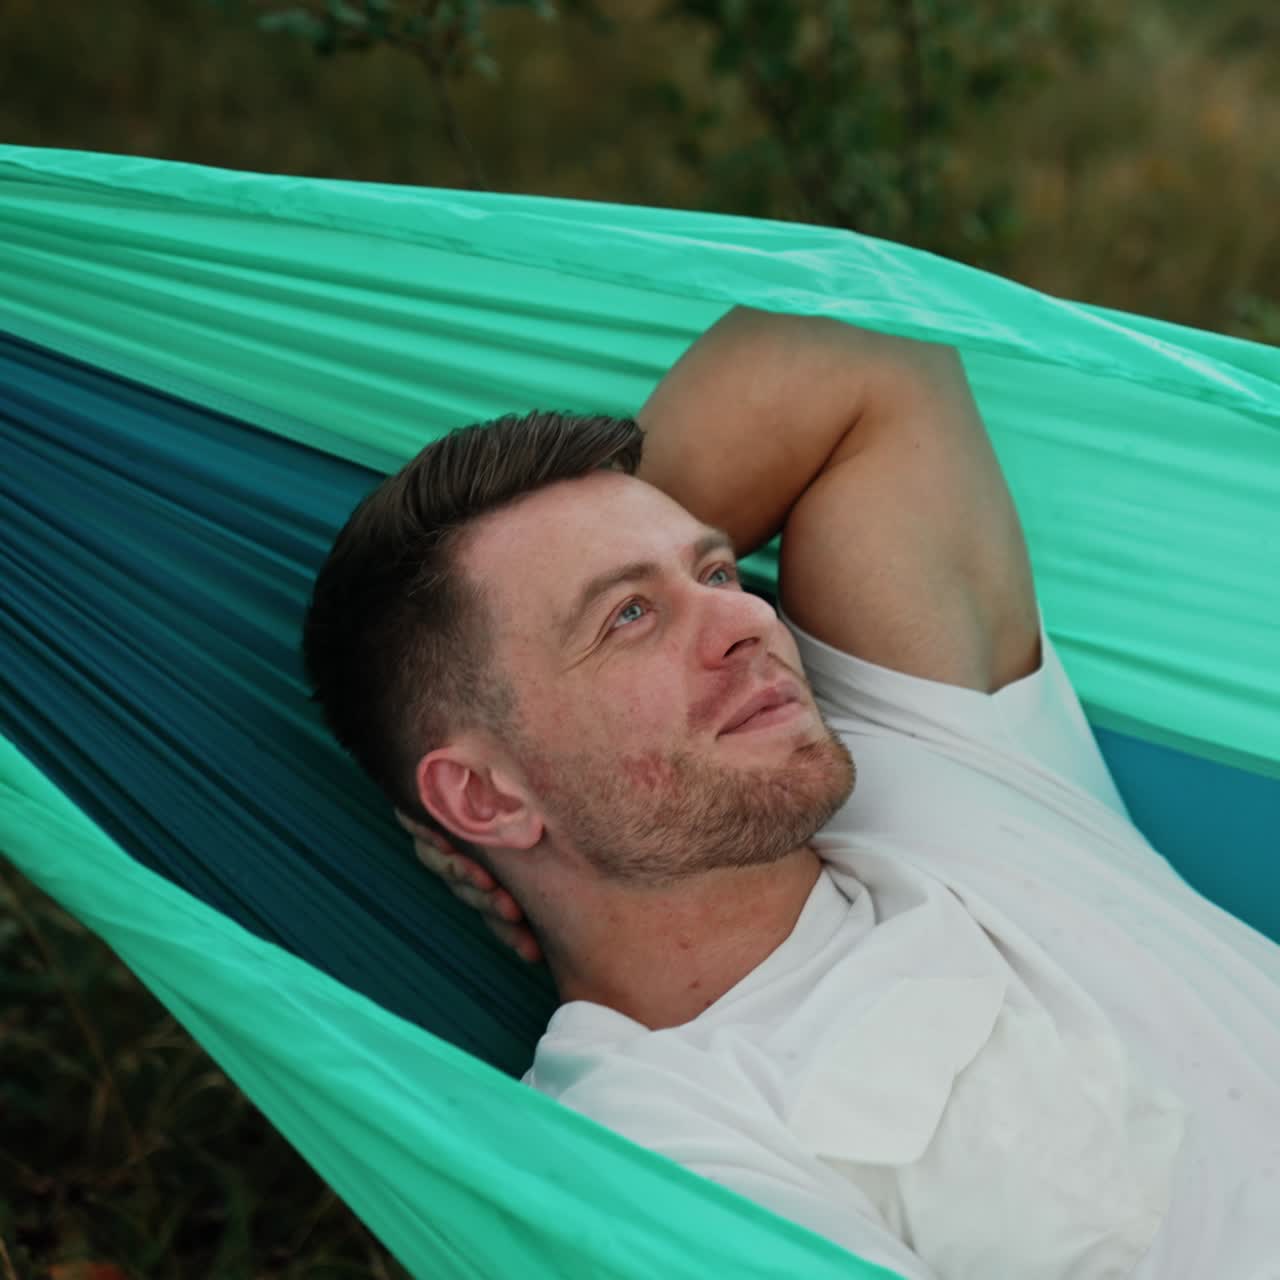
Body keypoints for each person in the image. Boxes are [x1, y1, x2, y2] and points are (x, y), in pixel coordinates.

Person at [303, 308, 1280, 1280]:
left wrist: (601, 556)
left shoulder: (920, 763)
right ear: (480, 795)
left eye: (717, 567)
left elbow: (850, 344)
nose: (746, 616)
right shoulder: (657, 1144)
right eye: (629, 614)